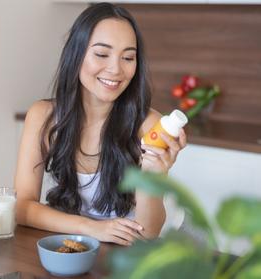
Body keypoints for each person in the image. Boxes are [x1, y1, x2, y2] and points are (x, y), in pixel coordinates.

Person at [14, 2, 187, 246]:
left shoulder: (149, 126)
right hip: (91, 241)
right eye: (102, 54)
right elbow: (21, 208)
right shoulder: (43, 116)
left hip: (163, 247)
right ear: (76, 54)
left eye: (128, 57)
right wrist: (92, 228)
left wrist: (154, 174)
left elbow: (148, 233)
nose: (116, 69)